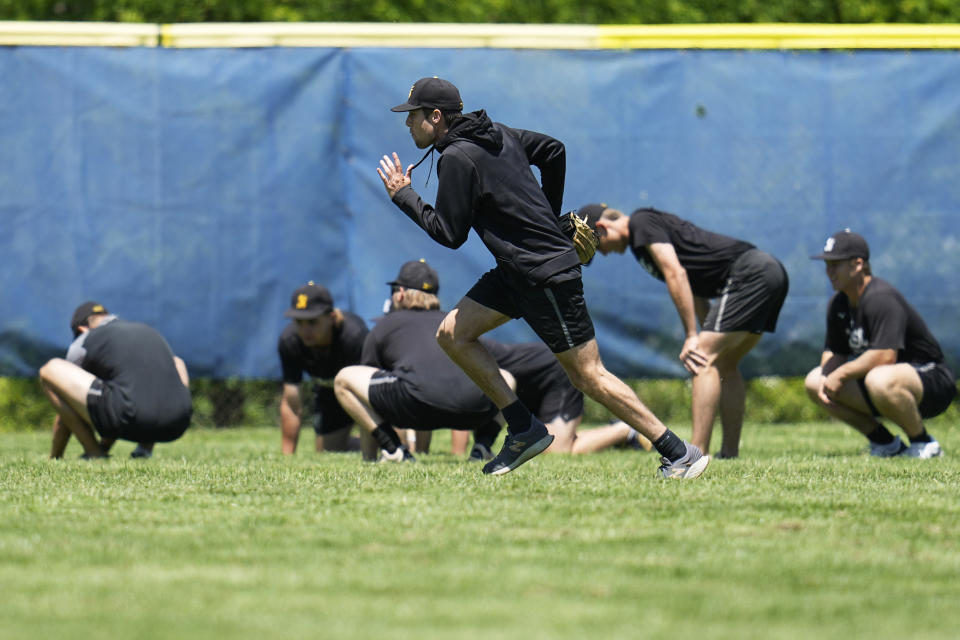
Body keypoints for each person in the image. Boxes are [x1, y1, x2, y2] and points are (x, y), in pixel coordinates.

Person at [377, 76, 708, 478]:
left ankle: (679, 453)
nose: (407, 124)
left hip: (544, 275)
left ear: (435, 116)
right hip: (518, 271)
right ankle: (522, 427)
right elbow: (553, 150)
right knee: (452, 334)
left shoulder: (457, 158)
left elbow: (449, 234)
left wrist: (405, 196)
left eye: (412, 116)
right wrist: (550, 216)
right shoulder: (497, 133)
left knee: (588, 374)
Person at [580, 204, 789, 459]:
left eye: (597, 246)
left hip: (751, 274)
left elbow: (675, 272)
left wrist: (693, 337)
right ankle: (729, 452)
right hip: (770, 272)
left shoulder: (641, 223)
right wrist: (702, 329)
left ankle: (696, 455)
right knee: (726, 362)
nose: (602, 253)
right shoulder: (641, 239)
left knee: (701, 357)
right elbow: (693, 282)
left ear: (602, 228)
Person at [334, 259, 506, 462]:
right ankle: (483, 446)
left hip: (413, 406)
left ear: (401, 293)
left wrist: (368, 457)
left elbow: (368, 392)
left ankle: (392, 449)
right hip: (472, 410)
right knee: (507, 378)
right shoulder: (454, 323)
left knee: (344, 379)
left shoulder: (386, 324)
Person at [804, 230, 956, 458]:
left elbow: (885, 356)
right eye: (827, 264)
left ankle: (924, 444)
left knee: (879, 378)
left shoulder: (880, 297)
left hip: (930, 380)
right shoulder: (839, 304)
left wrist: (841, 374)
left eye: (836, 264)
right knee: (815, 381)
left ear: (857, 265)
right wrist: (827, 379)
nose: (829, 271)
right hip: (884, 384)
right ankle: (886, 443)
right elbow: (835, 351)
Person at [38, 301, 192, 459]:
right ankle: (144, 449)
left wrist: (55, 456)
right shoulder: (145, 331)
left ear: (81, 329)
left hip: (131, 418)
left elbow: (66, 396)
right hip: (177, 423)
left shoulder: (86, 339)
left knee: (49, 370)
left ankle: (94, 453)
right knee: (176, 362)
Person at [451, 340, 653, 457]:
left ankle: (626, 430)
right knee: (546, 442)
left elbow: (462, 404)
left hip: (555, 374)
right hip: (526, 385)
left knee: (556, 450)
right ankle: (601, 433)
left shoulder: (457, 347)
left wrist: (458, 454)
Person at [278, 282, 376, 458]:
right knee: (329, 450)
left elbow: (373, 390)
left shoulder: (354, 336)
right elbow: (292, 403)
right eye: (299, 322)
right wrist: (287, 457)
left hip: (366, 395)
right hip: (330, 394)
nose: (305, 329)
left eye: (312, 322)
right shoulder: (290, 342)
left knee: (391, 443)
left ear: (331, 317)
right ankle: (360, 442)